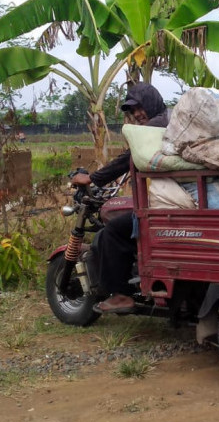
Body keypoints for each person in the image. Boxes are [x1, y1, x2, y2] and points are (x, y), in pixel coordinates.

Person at [71, 82, 169, 313]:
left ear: (151, 102)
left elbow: (127, 158)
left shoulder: (156, 126)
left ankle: (121, 295)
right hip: (165, 199)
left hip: (161, 206)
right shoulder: (166, 120)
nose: (137, 114)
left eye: (139, 108)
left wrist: (93, 178)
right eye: (133, 112)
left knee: (112, 232)